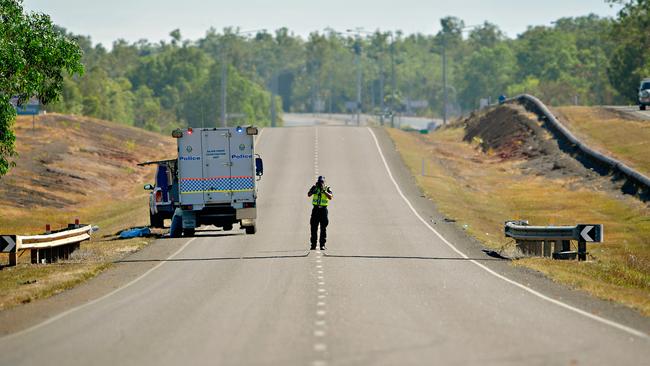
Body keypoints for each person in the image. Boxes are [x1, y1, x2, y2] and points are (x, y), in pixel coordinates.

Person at [307, 176, 333, 250]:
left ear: (324, 182)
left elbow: (330, 197)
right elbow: (308, 194)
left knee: (323, 228)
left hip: (323, 210)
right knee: (313, 227)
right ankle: (313, 245)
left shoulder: (327, 188)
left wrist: (324, 191)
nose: (320, 183)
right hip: (315, 209)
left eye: (322, 182)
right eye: (319, 182)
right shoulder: (314, 187)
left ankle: (322, 245)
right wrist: (313, 190)